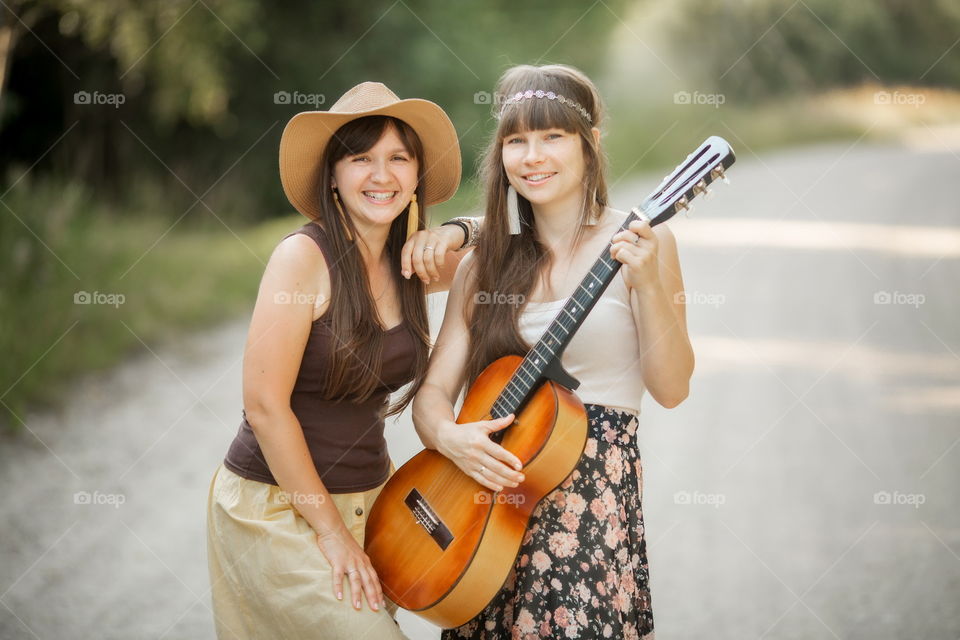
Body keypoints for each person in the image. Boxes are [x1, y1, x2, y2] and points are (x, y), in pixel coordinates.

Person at [412, 64, 695, 639]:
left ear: (589, 144)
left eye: (552, 137)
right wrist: (449, 437)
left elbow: (672, 389)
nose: (532, 156)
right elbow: (434, 394)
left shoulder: (646, 243)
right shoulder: (483, 264)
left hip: (590, 513)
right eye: (516, 141)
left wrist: (647, 286)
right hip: (483, 516)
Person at [205, 81, 472, 639]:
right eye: (361, 158)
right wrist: (329, 532)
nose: (382, 175)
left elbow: (517, 247)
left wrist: (459, 228)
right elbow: (263, 405)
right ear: (332, 174)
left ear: (417, 175)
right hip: (280, 507)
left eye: (399, 158)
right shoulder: (302, 258)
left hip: (373, 501)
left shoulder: (414, 263)